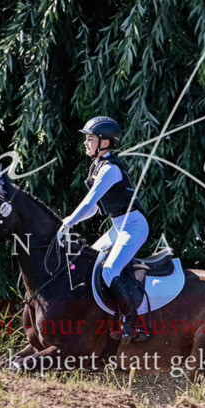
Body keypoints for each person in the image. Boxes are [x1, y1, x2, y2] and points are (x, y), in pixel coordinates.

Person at [57, 116, 149, 342]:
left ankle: (132, 321)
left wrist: (68, 223)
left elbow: (88, 202)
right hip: (119, 226)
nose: (85, 143)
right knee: (89, 263)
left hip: (134, 226)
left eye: (90, 138)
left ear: (105, 142)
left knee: (109, 270)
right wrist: (70, 222)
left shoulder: (110, 169)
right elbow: (93, 208)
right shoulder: (98, 166)